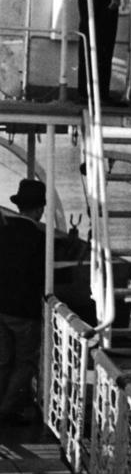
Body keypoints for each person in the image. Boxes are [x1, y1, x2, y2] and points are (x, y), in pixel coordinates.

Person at [0, 180, 49, 424]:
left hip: (1, 307)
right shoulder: (39, 240)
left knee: (4, 360)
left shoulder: (3, 231)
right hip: (24, 311)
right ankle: (7, 410)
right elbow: (42, 276)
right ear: (40, 209)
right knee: (26, 362)